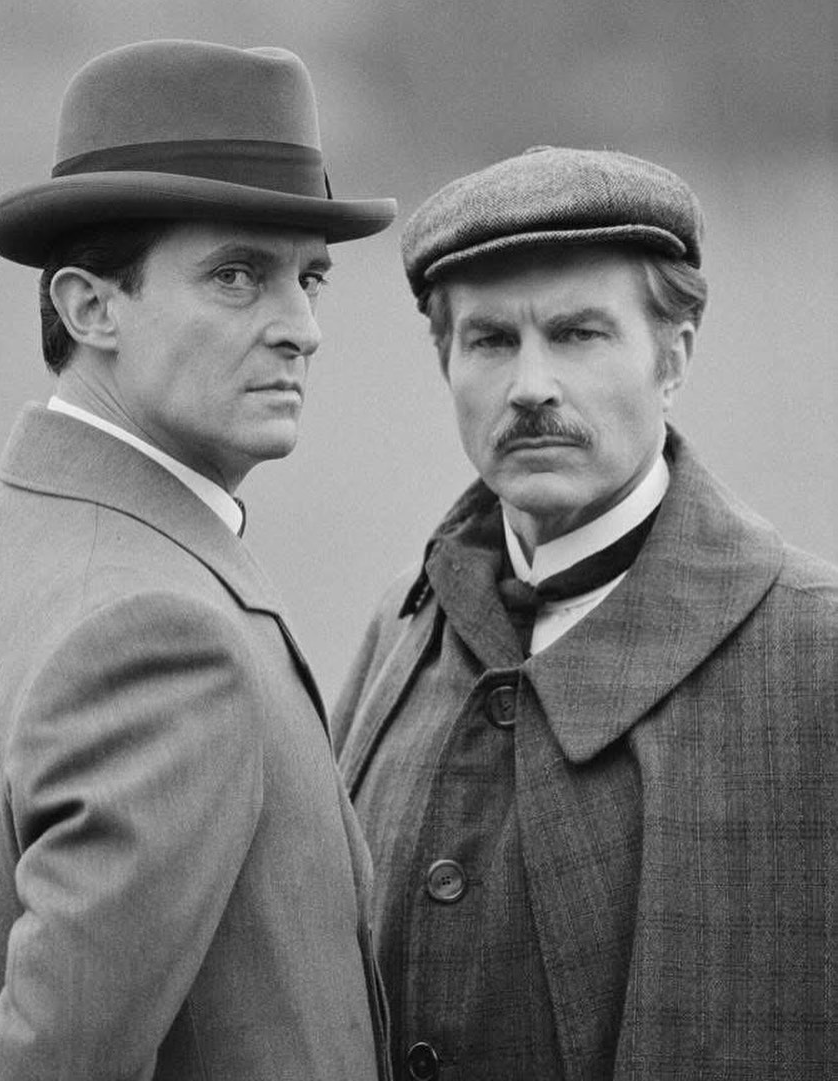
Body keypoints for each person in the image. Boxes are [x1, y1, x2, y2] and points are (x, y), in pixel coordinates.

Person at [333, 145, 838, 1079]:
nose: (530, 385)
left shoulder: (815, 654)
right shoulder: (399, 632)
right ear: (445, 362)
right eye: (490, 340)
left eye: (576, 334)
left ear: (672, 357)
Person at [0, 39, 396, 1080]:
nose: (302, 328)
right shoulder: (160, 632)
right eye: (237, 276)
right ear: (89, 307)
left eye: (310, 277)